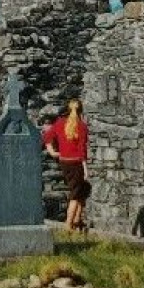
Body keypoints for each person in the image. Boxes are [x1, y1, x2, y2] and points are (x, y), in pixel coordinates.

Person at [43, 98, 90, 232]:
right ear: (81, 111)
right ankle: (68, 224)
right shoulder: (82, 126)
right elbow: (82, 150)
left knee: (83, 190)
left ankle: (77, 220)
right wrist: (86, 169)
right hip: (76, 163)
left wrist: (53, 152)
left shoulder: (59, 123)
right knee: (75, 194)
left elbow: (47, 137)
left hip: (64, 162)